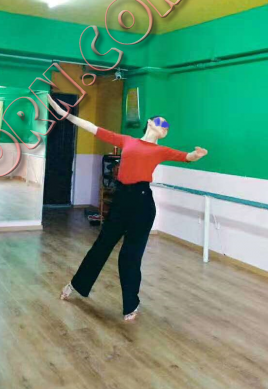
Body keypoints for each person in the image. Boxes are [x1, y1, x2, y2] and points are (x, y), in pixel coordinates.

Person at [47, 95, 208, 322]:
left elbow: (186, 157)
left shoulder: (161, 151)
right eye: (161, 122)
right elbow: (92, 128)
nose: (165, 127)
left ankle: (131, 304)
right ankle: (76, 284)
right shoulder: (127, 141)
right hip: (121, 200)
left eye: (167, 127)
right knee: (101, 246)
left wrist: (196, 155)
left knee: (130, 256)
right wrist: (65, 114)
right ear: (150, 122)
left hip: (142, 204)